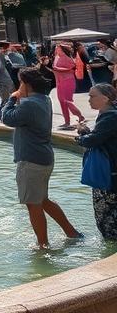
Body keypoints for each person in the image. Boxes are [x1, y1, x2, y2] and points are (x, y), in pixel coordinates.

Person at [2, 68, 82, 249]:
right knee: (43, 200)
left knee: (33, 204)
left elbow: (7, 118)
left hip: (31, 161)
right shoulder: (43, 99)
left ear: (27, 84)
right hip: (44, 157)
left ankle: (43, 245)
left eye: (20, 83)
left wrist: (12, 98)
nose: (18, 86)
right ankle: (71, 232)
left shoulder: (28, 104)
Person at [75, 83, 117, 240]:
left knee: (105, 218)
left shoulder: (110, 116)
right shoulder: (109, 113)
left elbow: (94, 140)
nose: (89, 100)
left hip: (110, 174)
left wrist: (80, 137)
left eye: (92, 96)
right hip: (111, 171)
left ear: (105, 98)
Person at [52, 43, 87, 131]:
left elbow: (72, 68)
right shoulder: (57, 57)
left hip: (67, 81)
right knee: (62, 102)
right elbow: (54, 68)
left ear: (63, 50)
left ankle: (80, 116)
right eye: (56, 48)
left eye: (58, 48)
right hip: (59, 82)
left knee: (67, 101)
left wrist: (57, 69)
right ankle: (66, 122)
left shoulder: (67, 58)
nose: (56, 49)